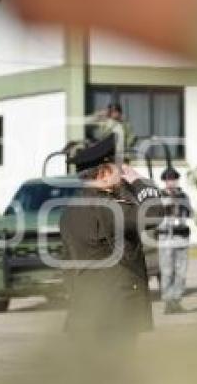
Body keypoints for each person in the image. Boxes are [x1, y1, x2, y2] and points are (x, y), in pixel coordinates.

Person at [59, 134, 163, 343]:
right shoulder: (109, 207)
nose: (123, 172)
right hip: (115, 314)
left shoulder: (69, 212)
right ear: (105, 173)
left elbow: (68, 266)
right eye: (118, 167)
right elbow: (154, 214)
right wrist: (139, 182)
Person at [157, 167, 192, 315]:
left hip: (181, 236)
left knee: (181, 271)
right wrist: (167, 203)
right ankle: (167, 301)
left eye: (174, 179)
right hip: (166, 237)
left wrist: (182, 204)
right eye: (169, 180)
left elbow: (191, 212)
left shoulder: (183, 195)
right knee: (167, 271)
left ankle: (176, 300)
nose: (171, 182)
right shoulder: (159, 196)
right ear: (165, 181)